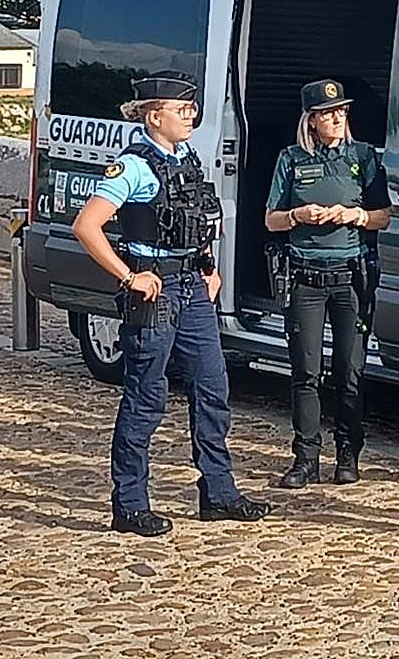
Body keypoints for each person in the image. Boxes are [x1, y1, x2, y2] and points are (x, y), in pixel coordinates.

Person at [72, 70, 270, 536]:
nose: (192, 116)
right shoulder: (133, 166)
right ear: (154, 115)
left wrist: (209, 268)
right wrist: (129, 276)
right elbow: (87, 226)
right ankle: (130, 503)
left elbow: (198, 220)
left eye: (192, 109)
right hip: (154, 288)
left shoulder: (187, 159)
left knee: (212, 387)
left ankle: (218, 492)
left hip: (192, 286)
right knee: (146, 396)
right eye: (183, 111)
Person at [264, 78, 391, 488]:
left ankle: (348, 454)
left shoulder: (363, 156)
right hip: (306, 276)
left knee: (350, 370)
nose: (336, 119)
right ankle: (305, 458)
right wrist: (299, 216)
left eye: (340, 112)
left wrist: (354, 216)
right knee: (305, 370)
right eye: (327, 114)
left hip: (350, 277)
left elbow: (382, 215)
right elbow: (270, 218)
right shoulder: (292, 159)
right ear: (312, 120)